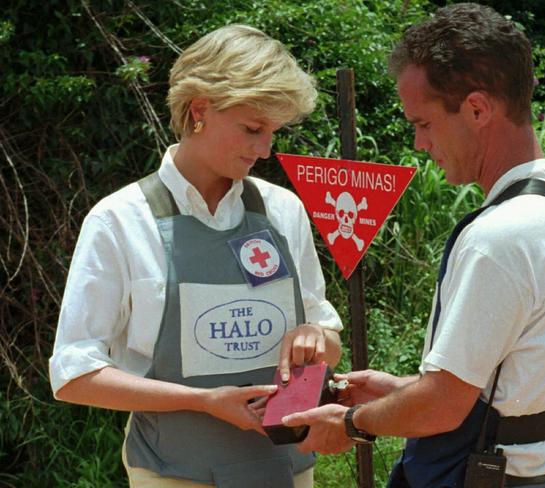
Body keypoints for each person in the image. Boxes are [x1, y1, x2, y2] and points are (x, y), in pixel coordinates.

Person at [282, 3, 545, 487]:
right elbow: (509, 387)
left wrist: (349, 423)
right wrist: (401, 392)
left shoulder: (499, 237)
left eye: (425, 123)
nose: (417, 143)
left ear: (477, 109)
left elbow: (442, 407)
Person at [49, 24, 343, 488]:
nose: (265, 150)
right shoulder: (120, 221)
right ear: (199, 109)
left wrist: (316, 337)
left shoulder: (283, 211)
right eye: (252, 128)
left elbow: (327, 339)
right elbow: (74, 376)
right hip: (172, 473)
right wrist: (203, 401)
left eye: (273, 132)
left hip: (284, 471)